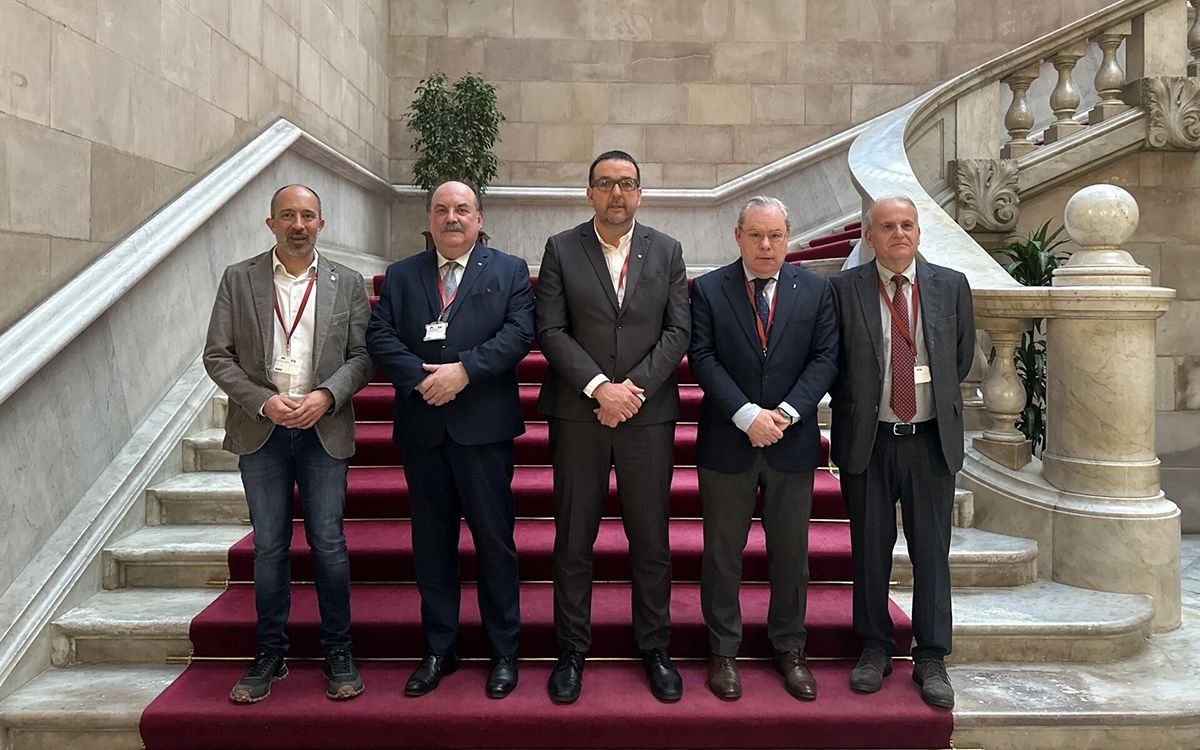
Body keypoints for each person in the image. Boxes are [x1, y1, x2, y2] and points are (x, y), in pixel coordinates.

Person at [204, 184, 373, 704]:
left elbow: (363, 357)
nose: (298, 224)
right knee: (271, 547)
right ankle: (269, 653)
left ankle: (338, 651)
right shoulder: (240, 278)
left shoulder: (347, 282)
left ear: (321, 224)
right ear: (270, 223)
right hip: (263, 430)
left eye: (308, 216)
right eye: (287, 215)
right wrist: (262, 401)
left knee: (328, 544)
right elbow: (217, 355)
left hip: (324, 428)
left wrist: (327, 395)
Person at [366, 180, 534, 699]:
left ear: (479, 219)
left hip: (483, 429)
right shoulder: (401, 275)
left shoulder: (509, 271)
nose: (452, 218)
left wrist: (463, 371)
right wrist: (419, 377)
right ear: (429, 219)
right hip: (424, 429)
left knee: (494, 544)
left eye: (463, 209)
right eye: (442, 210)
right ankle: (439, 648)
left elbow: (518, 332)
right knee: (432, 546)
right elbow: (379, 336)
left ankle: (503, 651)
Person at [536, 150, 691, 704]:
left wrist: (632, 393)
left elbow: (678, 332)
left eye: (627, 184)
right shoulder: (561, 248)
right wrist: (600, 388)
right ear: (589, 193)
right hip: (580, 414)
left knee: (649, 539)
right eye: (606, 184)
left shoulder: (667, 250)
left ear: (640, 193)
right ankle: (571, 650)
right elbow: (550, 330)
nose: (617, 194)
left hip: (646, 416)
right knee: (573, 539)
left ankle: (655, 647)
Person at [689, 196, 839, 701]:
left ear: (788, 235)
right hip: (727, 442)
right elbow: (702, 357)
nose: (767, 245)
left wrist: (786, 414)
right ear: (738, 236)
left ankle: (789, 649)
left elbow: (825, 358)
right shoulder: (708, 290)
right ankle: (723, 653)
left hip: (790, 442)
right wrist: (747, 414)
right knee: (723, 556)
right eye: (756, 235)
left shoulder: (815, 291)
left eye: (775, 235)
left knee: (791, 556)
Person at [828, 195, 975, 709]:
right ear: (869, 236)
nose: (898, 234)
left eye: (907, 225)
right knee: (869, 549)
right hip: (869, 442)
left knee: (932, 553)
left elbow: (959, 358)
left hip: (930, 441)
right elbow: (835, 361)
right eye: (886, 226)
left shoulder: (950, 286)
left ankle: (931, 655)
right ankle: (874, 646)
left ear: (919, 231)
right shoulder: (843, 290)